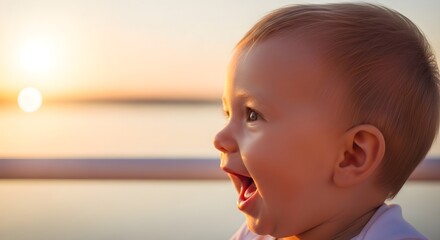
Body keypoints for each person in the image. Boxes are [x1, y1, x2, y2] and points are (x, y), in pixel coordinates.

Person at [213, 3, 439, 240]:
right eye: (228, 113)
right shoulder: (250, 235)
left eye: (252, 114)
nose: (220, 139)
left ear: (352, 155)